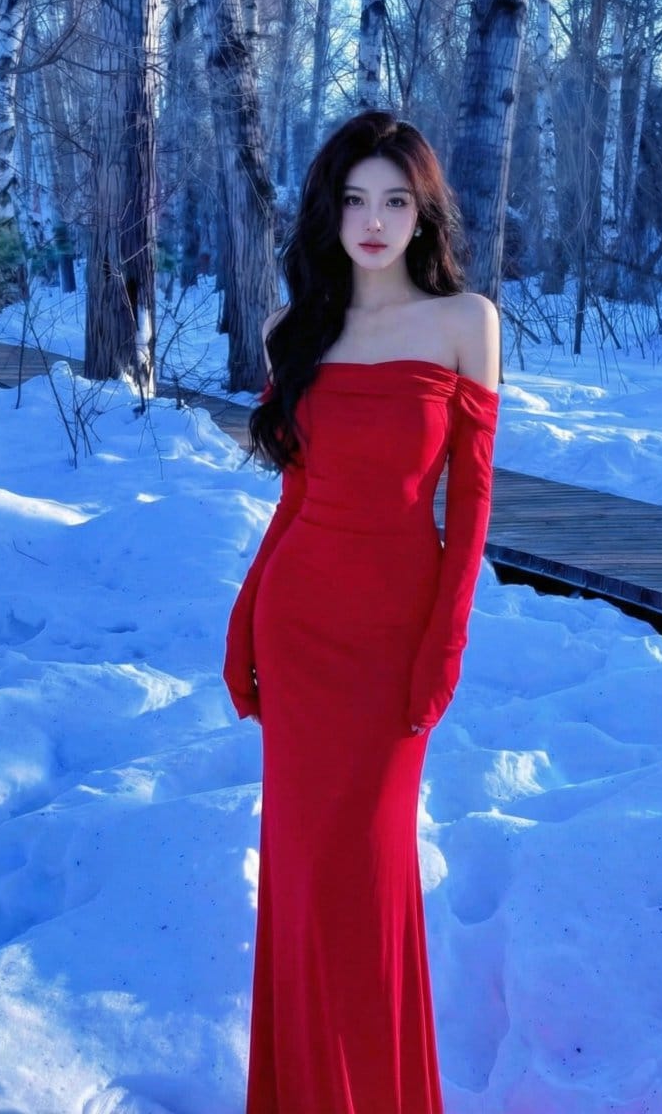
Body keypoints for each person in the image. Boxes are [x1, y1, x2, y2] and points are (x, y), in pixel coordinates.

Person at [223, 109, 500, 1114]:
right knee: (299, 878)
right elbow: (293, 498)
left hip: (392, 639)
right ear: (327, 212)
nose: (372, 221)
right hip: (299, 629)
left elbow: (469, 505)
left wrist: (444, 644)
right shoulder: (296, 331)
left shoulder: (464, 322)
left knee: (370, 874)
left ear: (422, 213)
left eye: (393, 199)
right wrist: (243, 618)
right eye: (352, 200)